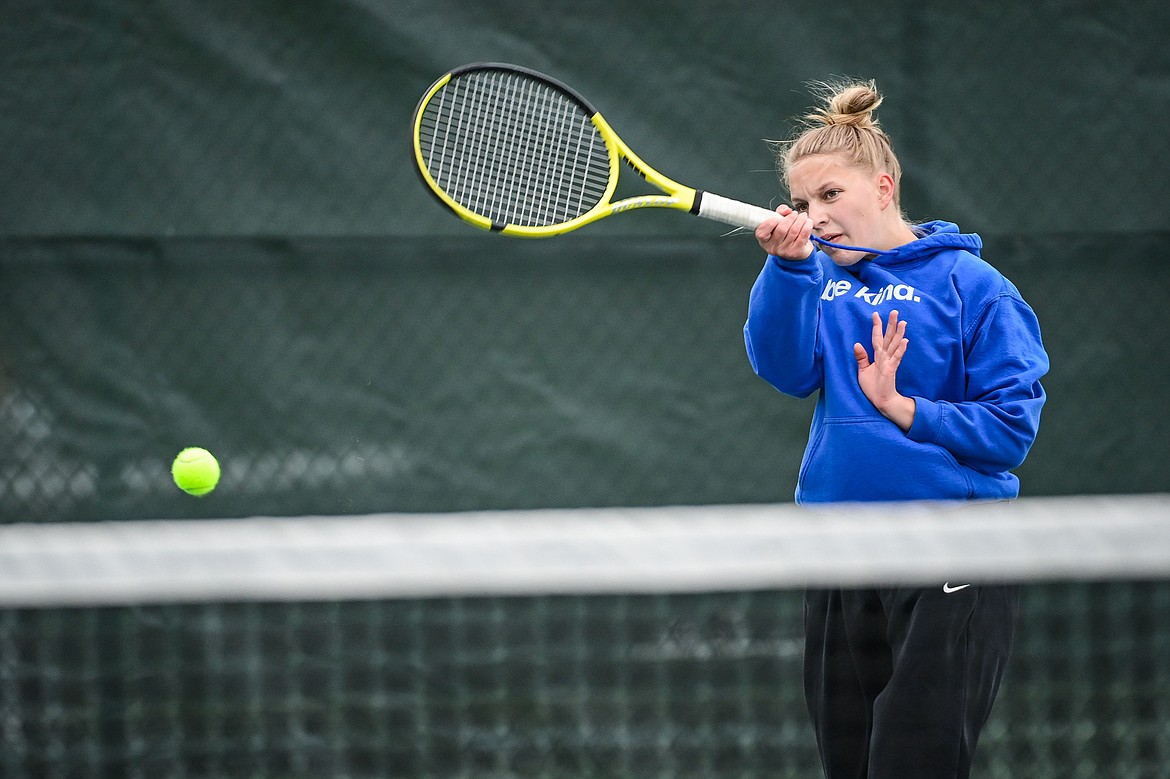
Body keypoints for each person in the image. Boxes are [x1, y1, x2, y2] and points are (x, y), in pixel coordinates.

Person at [744, 80, 1049, 778]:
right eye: (801, 201)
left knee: (914, 764)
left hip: (951, 552)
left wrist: (907, 409)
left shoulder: (976, 287)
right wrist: (786, 269)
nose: (813, 216)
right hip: (841, 550)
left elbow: (1010, 429)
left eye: (830, 196)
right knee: (849, 765)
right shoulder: (812, 277)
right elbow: (784, 368)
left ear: (882, 189)